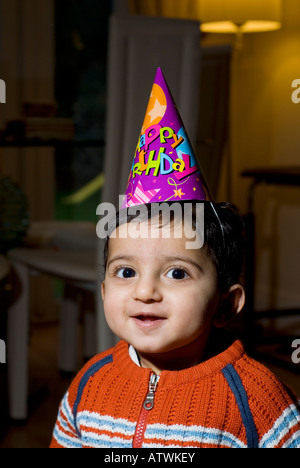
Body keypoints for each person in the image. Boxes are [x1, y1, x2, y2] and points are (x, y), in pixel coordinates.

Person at [50, 69, 300, 448]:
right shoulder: (88, 384)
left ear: (226, 303)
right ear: (103, 292)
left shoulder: (259, 402)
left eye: (178, 273)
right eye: (127, 271)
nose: (145, 291)